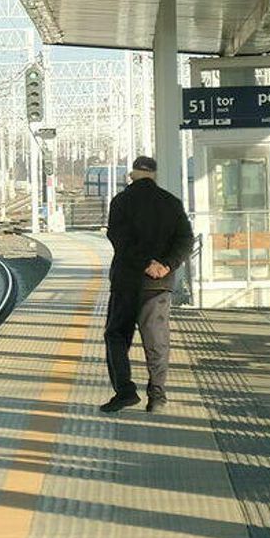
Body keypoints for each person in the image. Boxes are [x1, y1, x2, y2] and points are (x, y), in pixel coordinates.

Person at [99, 156, 194, 414]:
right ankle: (157, 397)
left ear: (132, 175)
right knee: (157, 340)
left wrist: (144, 263)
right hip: (158, 284)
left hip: (127, 283)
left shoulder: (121, 202)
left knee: (116, 335)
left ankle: (125, 392)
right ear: (154, 175)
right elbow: (186, 238)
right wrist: (165, 265)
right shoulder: (171, 203)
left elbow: (119, 238)